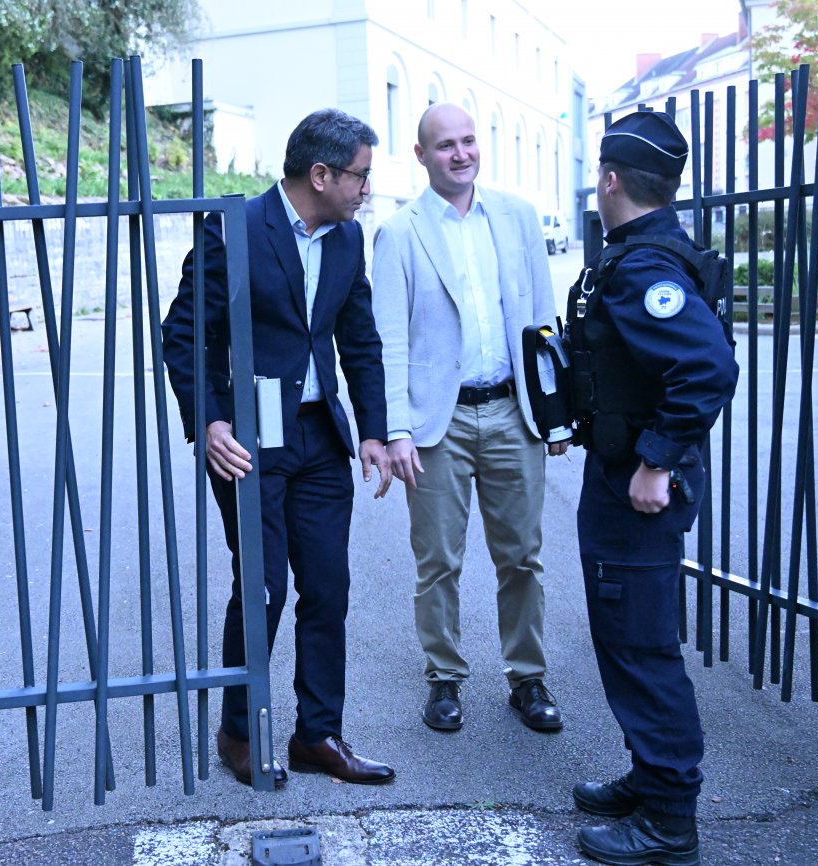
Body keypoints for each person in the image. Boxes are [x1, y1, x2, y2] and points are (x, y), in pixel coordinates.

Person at [161, 108, 396, 788]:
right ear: (321, 175)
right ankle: (239, 732)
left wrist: (373, 430)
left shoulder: (348, 239)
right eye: (360, 176)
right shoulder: (234, 228)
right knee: (263, 588)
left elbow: (360, 338)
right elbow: (184, 334)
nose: (367, 190)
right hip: (250, 441)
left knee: (327, 587)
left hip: (320, 438)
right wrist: (210, 422)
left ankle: (317, 734)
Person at [565, 110, 739, 866]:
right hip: (621, 473)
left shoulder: (643, 267)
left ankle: (669, 818)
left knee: (640, 646)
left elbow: (707, 367)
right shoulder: (645, 252)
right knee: (626, 637)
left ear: (611, 180)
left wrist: (656, 460)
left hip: (637, 488)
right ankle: (650, 776)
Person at [371, 102, 567, 735]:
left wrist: (554, 413)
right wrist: (397, 429)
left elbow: (542, 323)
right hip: (439, 424)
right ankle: (444, 677)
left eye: (468, 141)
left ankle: (528, 677)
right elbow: (388, 340)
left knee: (523, 557)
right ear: (421, 155)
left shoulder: (517, 218)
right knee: (438, 562)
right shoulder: (399, 233)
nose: (461, 154)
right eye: (445, 145)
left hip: (513, 411)